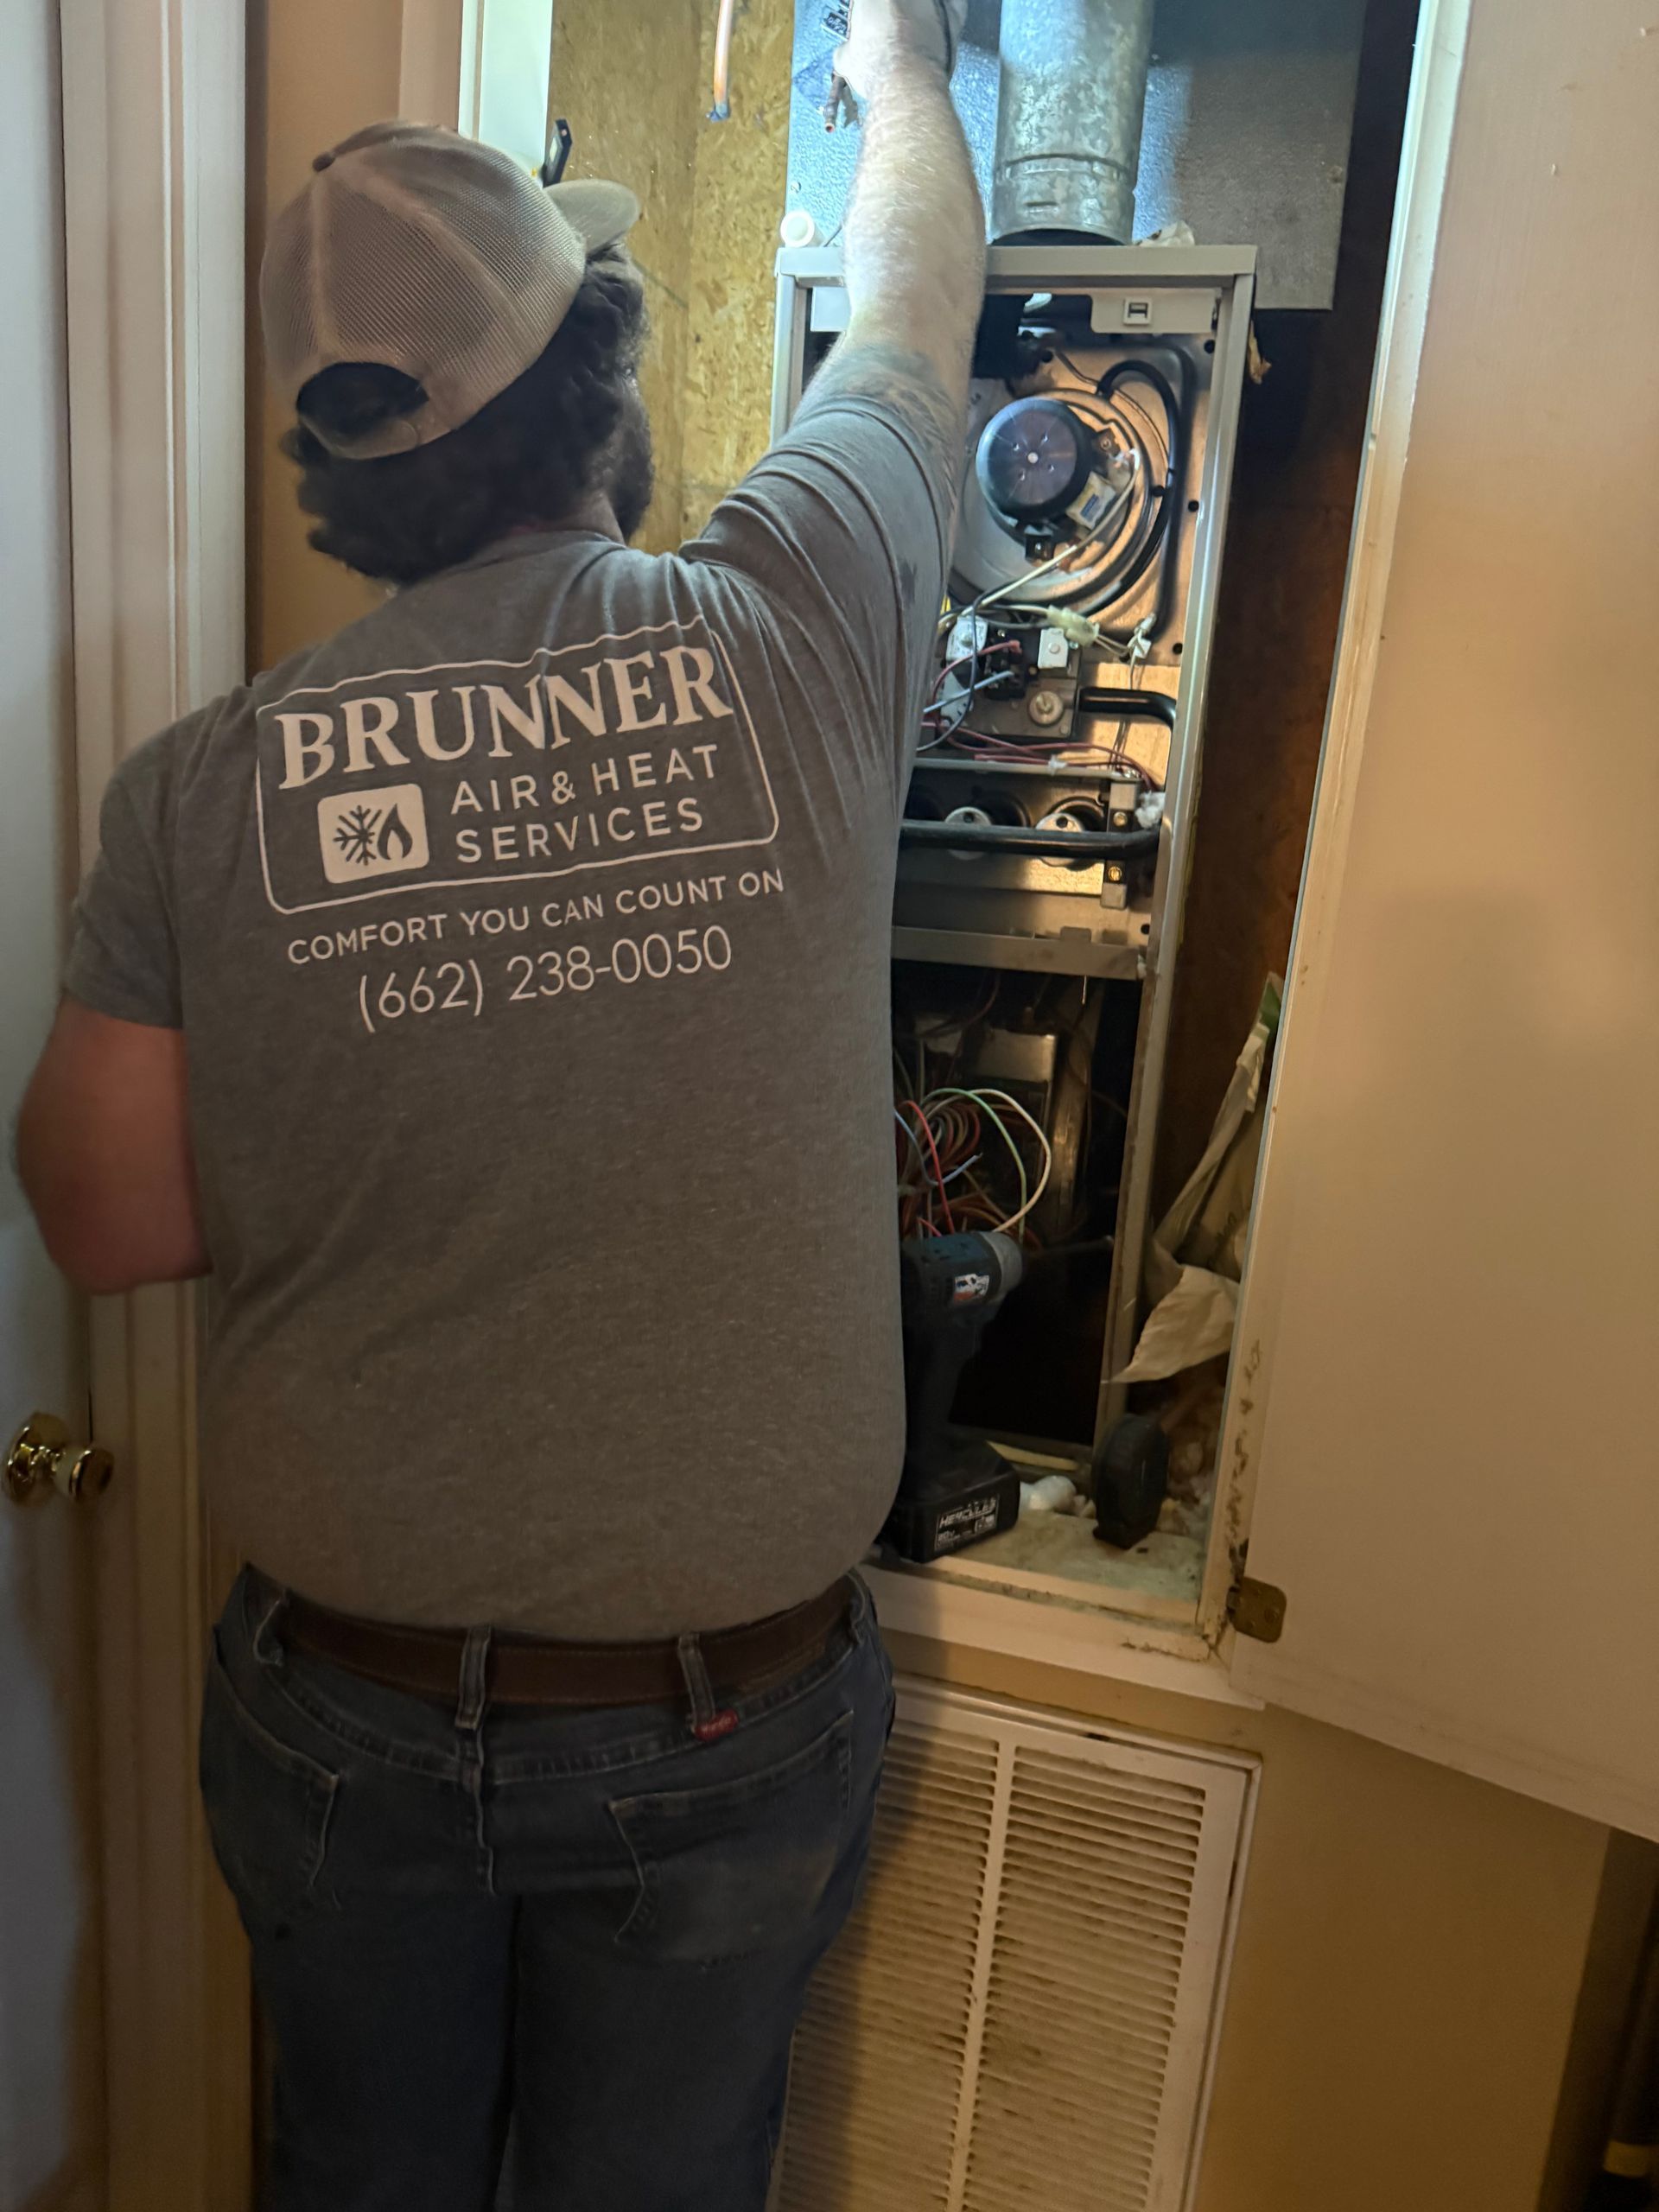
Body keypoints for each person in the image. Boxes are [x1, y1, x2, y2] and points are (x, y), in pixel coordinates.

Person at [18, 0, 981, 2203]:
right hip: (718, 1723)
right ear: (605, 381)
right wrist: (900, 80)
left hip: (337, 1718)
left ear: (338, 476)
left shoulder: (199, 792)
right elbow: (919, 306)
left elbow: (109, 1215)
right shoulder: (799, 624)